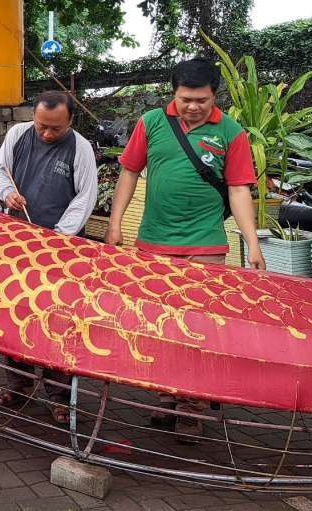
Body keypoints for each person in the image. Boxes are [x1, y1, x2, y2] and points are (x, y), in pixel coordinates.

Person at [105, 57, 264, 440]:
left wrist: (253, 243)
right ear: (173, 93)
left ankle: (191, 408)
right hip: (153, 242)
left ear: (215, 97)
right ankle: (165, 398)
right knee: (158, 324)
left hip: (205, 244)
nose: (193, 106)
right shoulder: (152, 123)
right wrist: (113, 224)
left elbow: (240, 189)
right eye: (185, 98)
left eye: (202, 100)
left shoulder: (231, 132)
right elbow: (129, 171)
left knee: (199, 328)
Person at [0, 90, 98, 423]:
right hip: (15, 243)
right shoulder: (17, 135)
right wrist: (7, 193)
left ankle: (59, 396)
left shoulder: (80, 148)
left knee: (57, 320)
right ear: (33, 118)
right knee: (13, 314)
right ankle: (18, 386)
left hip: (60, 251)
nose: (47, 134)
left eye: (56, 129)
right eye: (42, 127)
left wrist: (59, 237)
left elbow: (85, 197)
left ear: (70, 122)